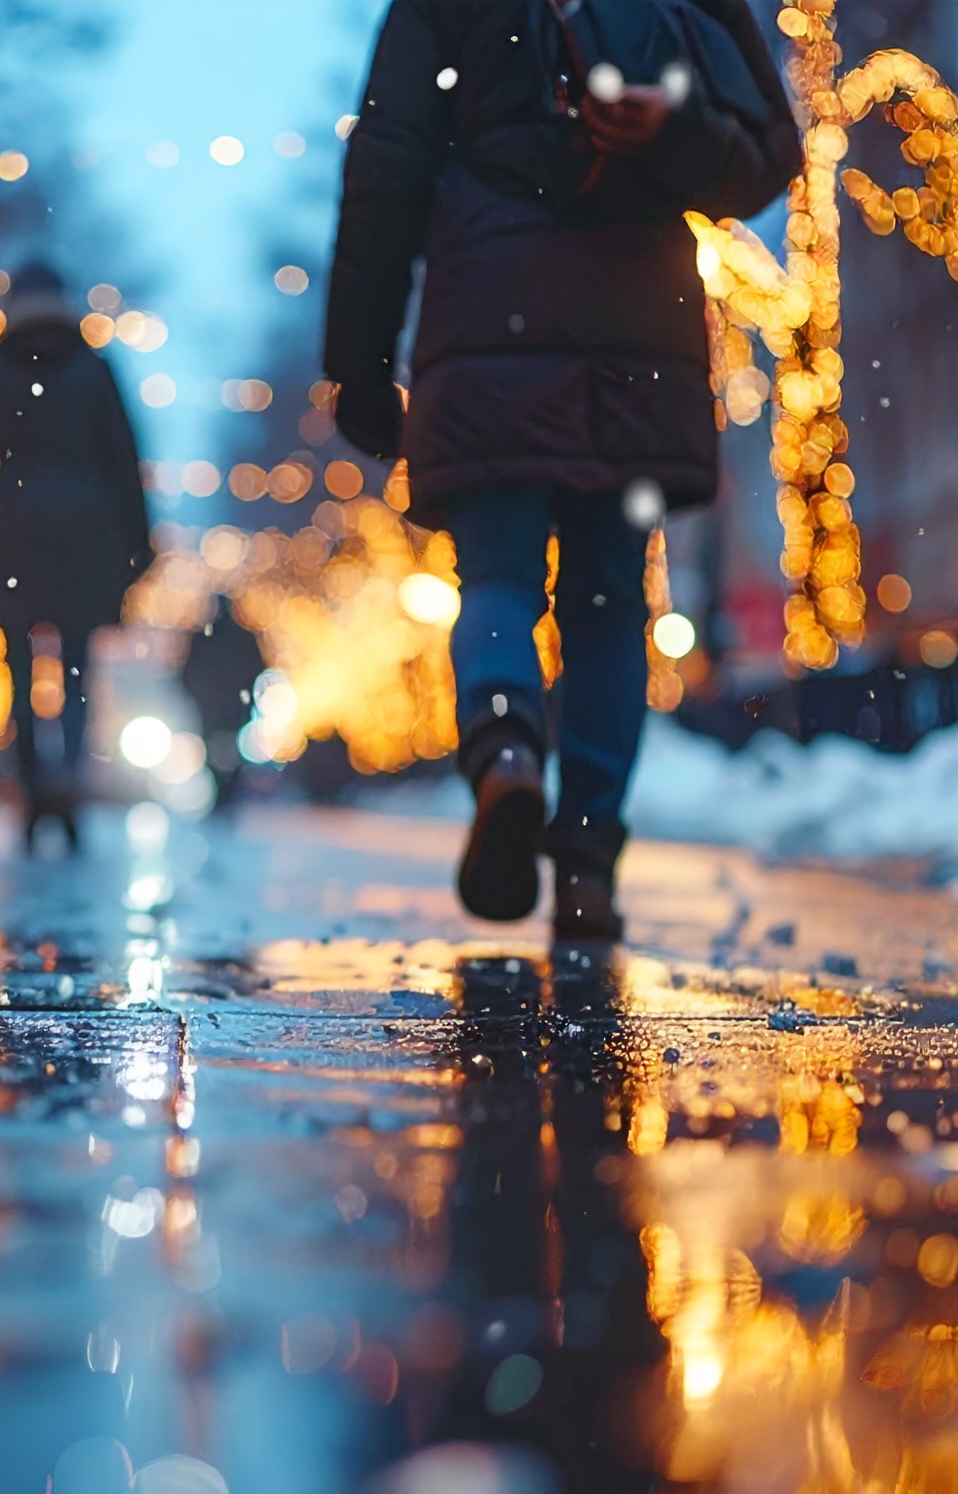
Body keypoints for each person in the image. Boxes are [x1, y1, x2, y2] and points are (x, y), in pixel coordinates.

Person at [324, 0, 797, 940]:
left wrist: (361, 359)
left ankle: (504, 746)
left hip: (485, 321)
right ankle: (586, 860)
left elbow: (387, 172)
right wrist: (673, 131)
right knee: (609, 603)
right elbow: (766, 155)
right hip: (639, 337)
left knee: (498, 577)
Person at [0, 263, 153, 852]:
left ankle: (33, 787)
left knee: (18, 666)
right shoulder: (95, 371)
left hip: (15, 529)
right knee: (79, 667)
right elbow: (125, 460)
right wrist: (139, 544)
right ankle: (70, 783)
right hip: (87, 534)